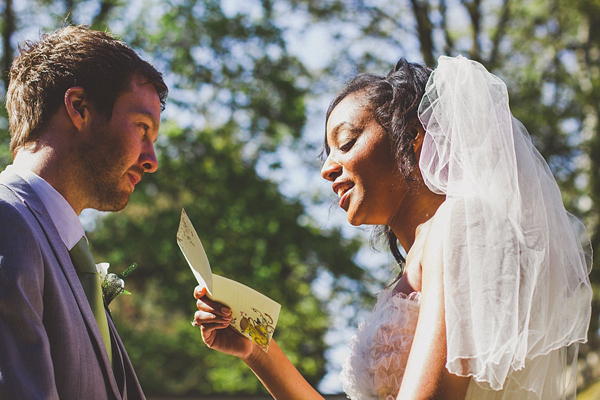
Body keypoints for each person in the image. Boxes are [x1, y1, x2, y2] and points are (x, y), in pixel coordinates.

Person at [192, 55, 592, 399]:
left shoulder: (463, 226)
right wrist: (257, 350)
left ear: (414, 137)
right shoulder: (413, 267)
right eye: (327, 153)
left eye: (346, 142)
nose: (327, 168)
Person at [0, 25, 167, 399]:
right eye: (142, 128)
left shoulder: (68, 256)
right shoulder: (6, 221)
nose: (152, 160)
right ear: (79, 107)